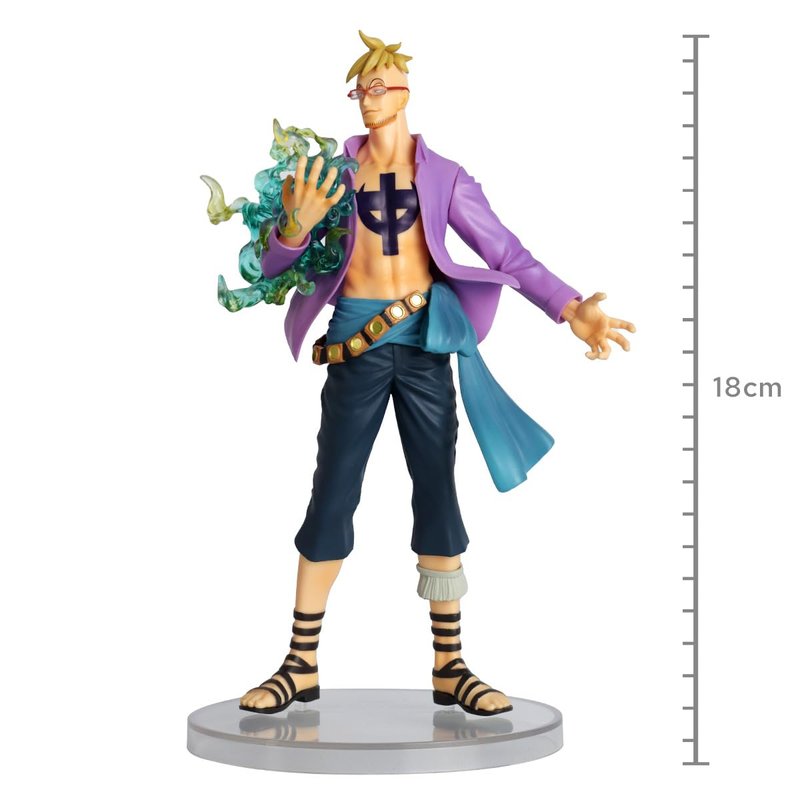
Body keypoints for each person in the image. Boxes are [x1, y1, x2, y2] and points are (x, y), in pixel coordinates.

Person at [239, 31, 635, 717]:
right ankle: (300, 664)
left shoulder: (445, 177)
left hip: (425, 346)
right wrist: (295, 229)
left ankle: (450, 666)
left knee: (438, 493)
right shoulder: (330, 174)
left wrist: (571, 308)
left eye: (379, 87)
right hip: (353, 346)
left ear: (405, 93)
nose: (368, 100)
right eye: (360, 89)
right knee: (332, 493)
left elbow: (506, 251)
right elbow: (274, 267)